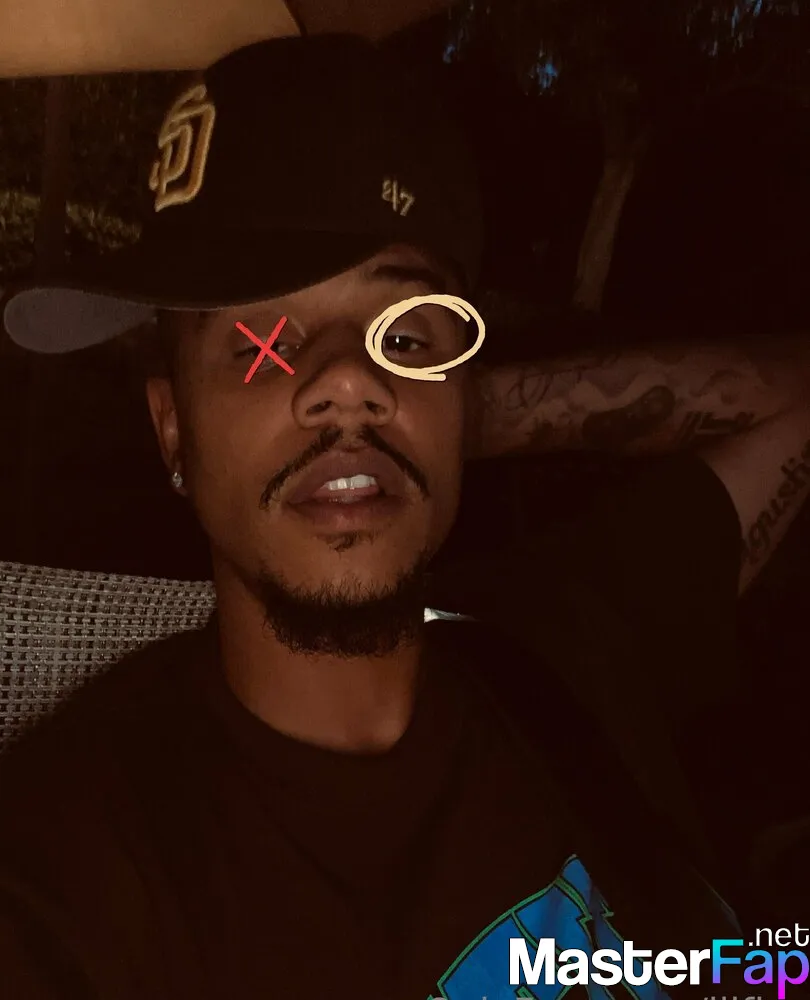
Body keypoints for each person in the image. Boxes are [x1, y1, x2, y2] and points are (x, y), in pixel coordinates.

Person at [1, 33, 809, 1000]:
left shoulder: (566, 636)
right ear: (174, 428)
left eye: (409, 336)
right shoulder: (67, 872)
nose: (348, 378)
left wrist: (450, 418)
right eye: (261, 342)